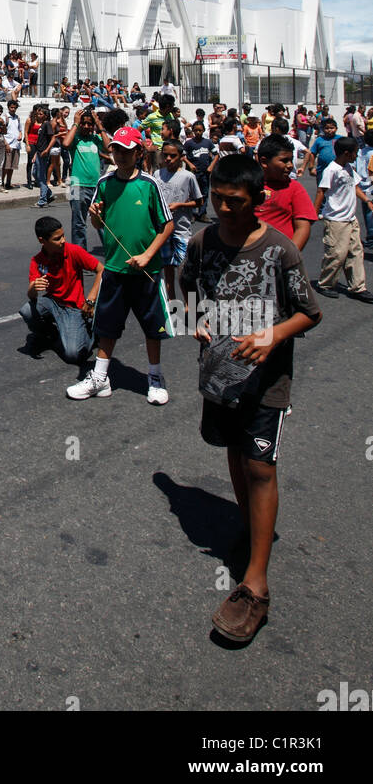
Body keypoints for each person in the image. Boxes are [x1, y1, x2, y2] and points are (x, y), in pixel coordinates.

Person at [180, 153, 321, 644]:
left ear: (257, 199)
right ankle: (248, 528)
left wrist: (274, 335)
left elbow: (310, 312)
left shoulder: (281, 250)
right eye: (217, 198)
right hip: (220, 375)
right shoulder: (202, 241)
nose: (223, 209)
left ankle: (255, 584)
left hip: (266, 380)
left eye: (234, 201)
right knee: (235, 454)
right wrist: (196, 319)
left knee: (261, 466)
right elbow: (186, 286)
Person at [66, 126, 174, 405]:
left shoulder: (149, 185)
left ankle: (155, 376)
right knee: (107, 325)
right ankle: (100, 377)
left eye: (126, 151)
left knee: (153, 327)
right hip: (114, 268)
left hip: (145, 270)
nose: (120, 155)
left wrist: (148, 256)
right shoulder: (104, 183)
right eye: (116, 149)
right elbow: (99, 223)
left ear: (138, 153)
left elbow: (167, 224)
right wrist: (95, 216)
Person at [19, 214, 103, 369]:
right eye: (57, 239)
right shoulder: (36, 260)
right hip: (52, 302)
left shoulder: (74, 251)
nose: (63, 240)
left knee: (73, 355)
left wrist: (90, 299)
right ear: (42, 241)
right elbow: (32, 296)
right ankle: (50, 335)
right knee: (26, 310)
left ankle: (91, 330)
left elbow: (101, 270)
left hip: (73, 308)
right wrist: (33, 287)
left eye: (63, 236)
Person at [313, 136, 373, 301]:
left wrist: (367, 200)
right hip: (335, 219)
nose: (357, 155)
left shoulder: (348, 168)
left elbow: (355, 186)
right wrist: (313, 213)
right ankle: (325, 283)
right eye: (355, 152)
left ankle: (357, 287)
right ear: (347, 153)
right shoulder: (331, 169)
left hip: (350, 218)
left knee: (355, 252)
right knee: (337, 253)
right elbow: (321, 192)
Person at [156, 139, 202, 301]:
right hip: (163, 230)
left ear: (181, 157)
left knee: (184, 271)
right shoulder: (158, 174)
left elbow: (199, 201)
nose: (168, 159)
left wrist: (180, 204)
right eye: (165, 155)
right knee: (167, 266)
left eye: (173, 156)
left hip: (181, 229)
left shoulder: (187, 176)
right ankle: (172, 302)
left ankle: (192, 305)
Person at [255, 135, 317, 250]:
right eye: (284, 161)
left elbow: (303, 227)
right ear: (264, 162)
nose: (290, 165)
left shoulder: (294, 188)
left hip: (281, 256)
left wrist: (289, 256)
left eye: (291, 160)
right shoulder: (249, 185)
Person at [61, 107, 110, 247]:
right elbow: (65, 143)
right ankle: (80, 254)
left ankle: (110, 250)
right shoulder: (75, 139)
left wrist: (99, 125)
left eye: (90, 124)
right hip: (76, 184)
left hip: (95, 185)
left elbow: (109, 148)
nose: (87, 127)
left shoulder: (95, 139)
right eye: (84, 123)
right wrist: (76, 123)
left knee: (100, 220)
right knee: (78, 222)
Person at [183, 120, 215, 220]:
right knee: (192, 192)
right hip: (193, 173)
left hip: (205, 172)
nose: (198, 132)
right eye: (196, 130)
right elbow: (183, 156)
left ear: (203, 131)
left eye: (200, 130)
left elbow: (216, 154)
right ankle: (192, 213)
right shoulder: (189, 143)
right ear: (192, 131)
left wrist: (211, 166)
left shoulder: (208, 142)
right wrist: (190, 164)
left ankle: (202, 213)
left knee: (204, 192)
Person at [2, 99, 23, 190]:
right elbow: (2, 133)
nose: (13, 109)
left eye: (15, 108)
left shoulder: (17, 117)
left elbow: (20, 129)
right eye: (11, 107)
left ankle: (8, 182)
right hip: (8, 145)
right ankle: (1, 183)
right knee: (6, 166)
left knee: (12, 166)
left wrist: (20, 135)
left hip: (16, 145)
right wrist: (6, 144)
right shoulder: (5, 117)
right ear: (8, 107)